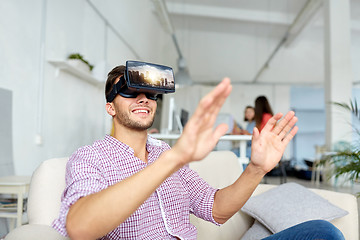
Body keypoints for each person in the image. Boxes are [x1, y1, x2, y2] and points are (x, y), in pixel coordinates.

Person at [52, 63, 344, 240]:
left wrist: (256, 168)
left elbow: (216, 209)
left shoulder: (165, 154)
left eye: (150, 93)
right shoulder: (90, 157)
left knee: (323, 232)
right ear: (110, 107)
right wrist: (174, 158)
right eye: (129, 91)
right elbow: (80, 228)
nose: (143, 98)